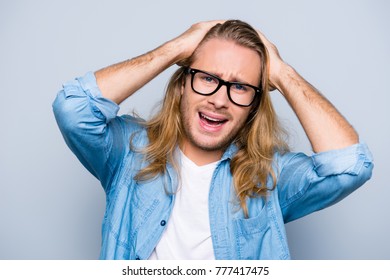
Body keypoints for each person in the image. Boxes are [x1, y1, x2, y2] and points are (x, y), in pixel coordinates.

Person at [53, 20, 373, 260]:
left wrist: (282, 73)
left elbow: (349, 166)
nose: (220, 100)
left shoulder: (270, 177)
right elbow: (73, 109)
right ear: (181, 86)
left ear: (254, 105)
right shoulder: (129, 151)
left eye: (240, 87)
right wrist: (175, 49)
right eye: (207, 78)